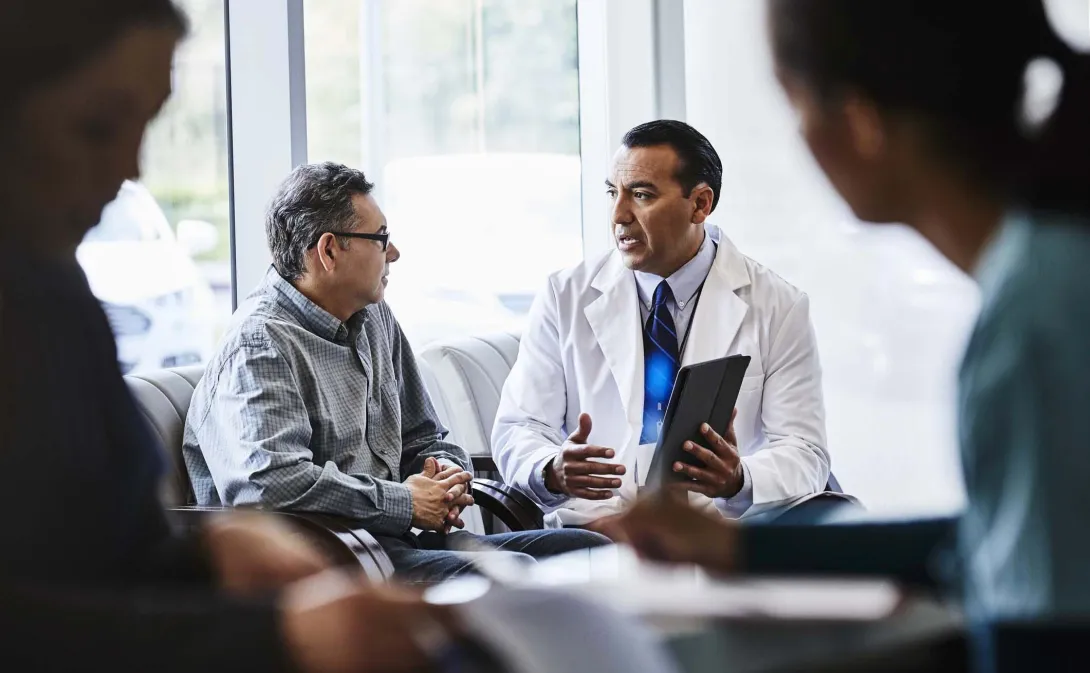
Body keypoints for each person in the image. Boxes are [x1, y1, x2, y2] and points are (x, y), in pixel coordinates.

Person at [608, 0, 1090, 654]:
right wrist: (741, 545)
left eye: (796, 107)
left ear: (860, 125)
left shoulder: (1035, 322)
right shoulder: (1051, 269)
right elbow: (999, 537)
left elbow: (1044, 634)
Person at [0, 2, 460, 671]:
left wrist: (206, 549)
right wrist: (278, 633)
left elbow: (107, 550)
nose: (131, 167)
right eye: (98, 125)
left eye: (146, 126)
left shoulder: (57, 299)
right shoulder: (254, 341)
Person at [184, 161, 609, 583]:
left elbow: (425, 436)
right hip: (325, 568)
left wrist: (443, 477)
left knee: (592, 554)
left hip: (392, 546)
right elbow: (269, 486)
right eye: (380, 238)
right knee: (513, 577)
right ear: (329, 250)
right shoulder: (259, 344)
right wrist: (404, 503)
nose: (394, 253)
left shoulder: (373, 316)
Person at [493, 120, 843, 529]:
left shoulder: (778, 306)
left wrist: (737, 480)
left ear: (700, 204)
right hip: (597, 532)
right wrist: (552, 469)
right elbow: (520, 426)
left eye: (641, 195)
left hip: (719, 536)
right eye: (613, 193)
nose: (619, 215)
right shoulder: (564, 295)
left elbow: (804, 451)